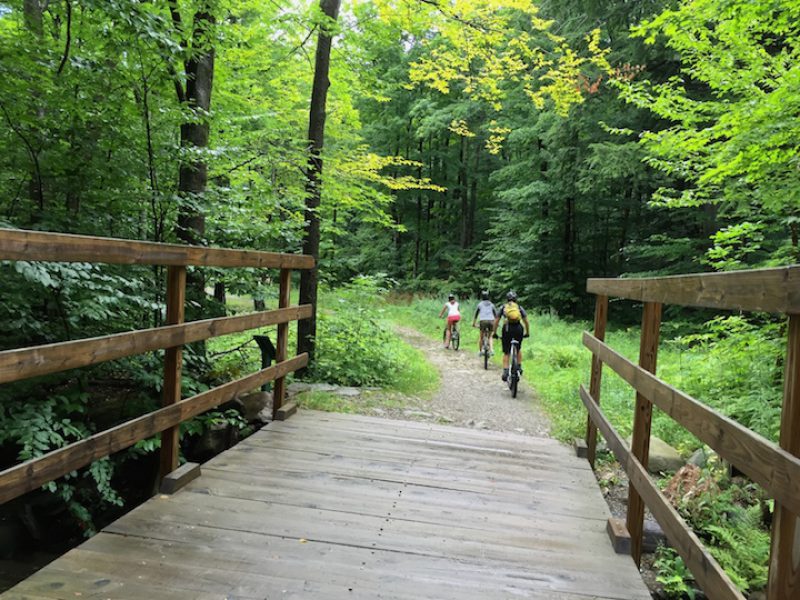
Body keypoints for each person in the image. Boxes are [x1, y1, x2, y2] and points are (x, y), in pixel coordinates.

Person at [493, 291, 530, 381]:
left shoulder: (503, 307)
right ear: (516, 299)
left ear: (507, 299)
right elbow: (526, 321)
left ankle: (505, 371)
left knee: (506, 352)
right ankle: (519, 367)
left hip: (507, 329)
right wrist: (527, 332)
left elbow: (496, 321)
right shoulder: (519, 307)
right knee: (518, 348)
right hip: (518, 329)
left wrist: (494, 332)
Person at [472, 290, 497, 355]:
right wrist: (496, 323)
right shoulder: (491, 304)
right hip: (491, 320)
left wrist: (474, 323)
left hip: (483, 321)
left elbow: (476, 314)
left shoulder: (480, 304)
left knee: (481, 336)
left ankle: (480, 351)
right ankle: (491, 350)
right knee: (490, 336)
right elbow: (496, 315)